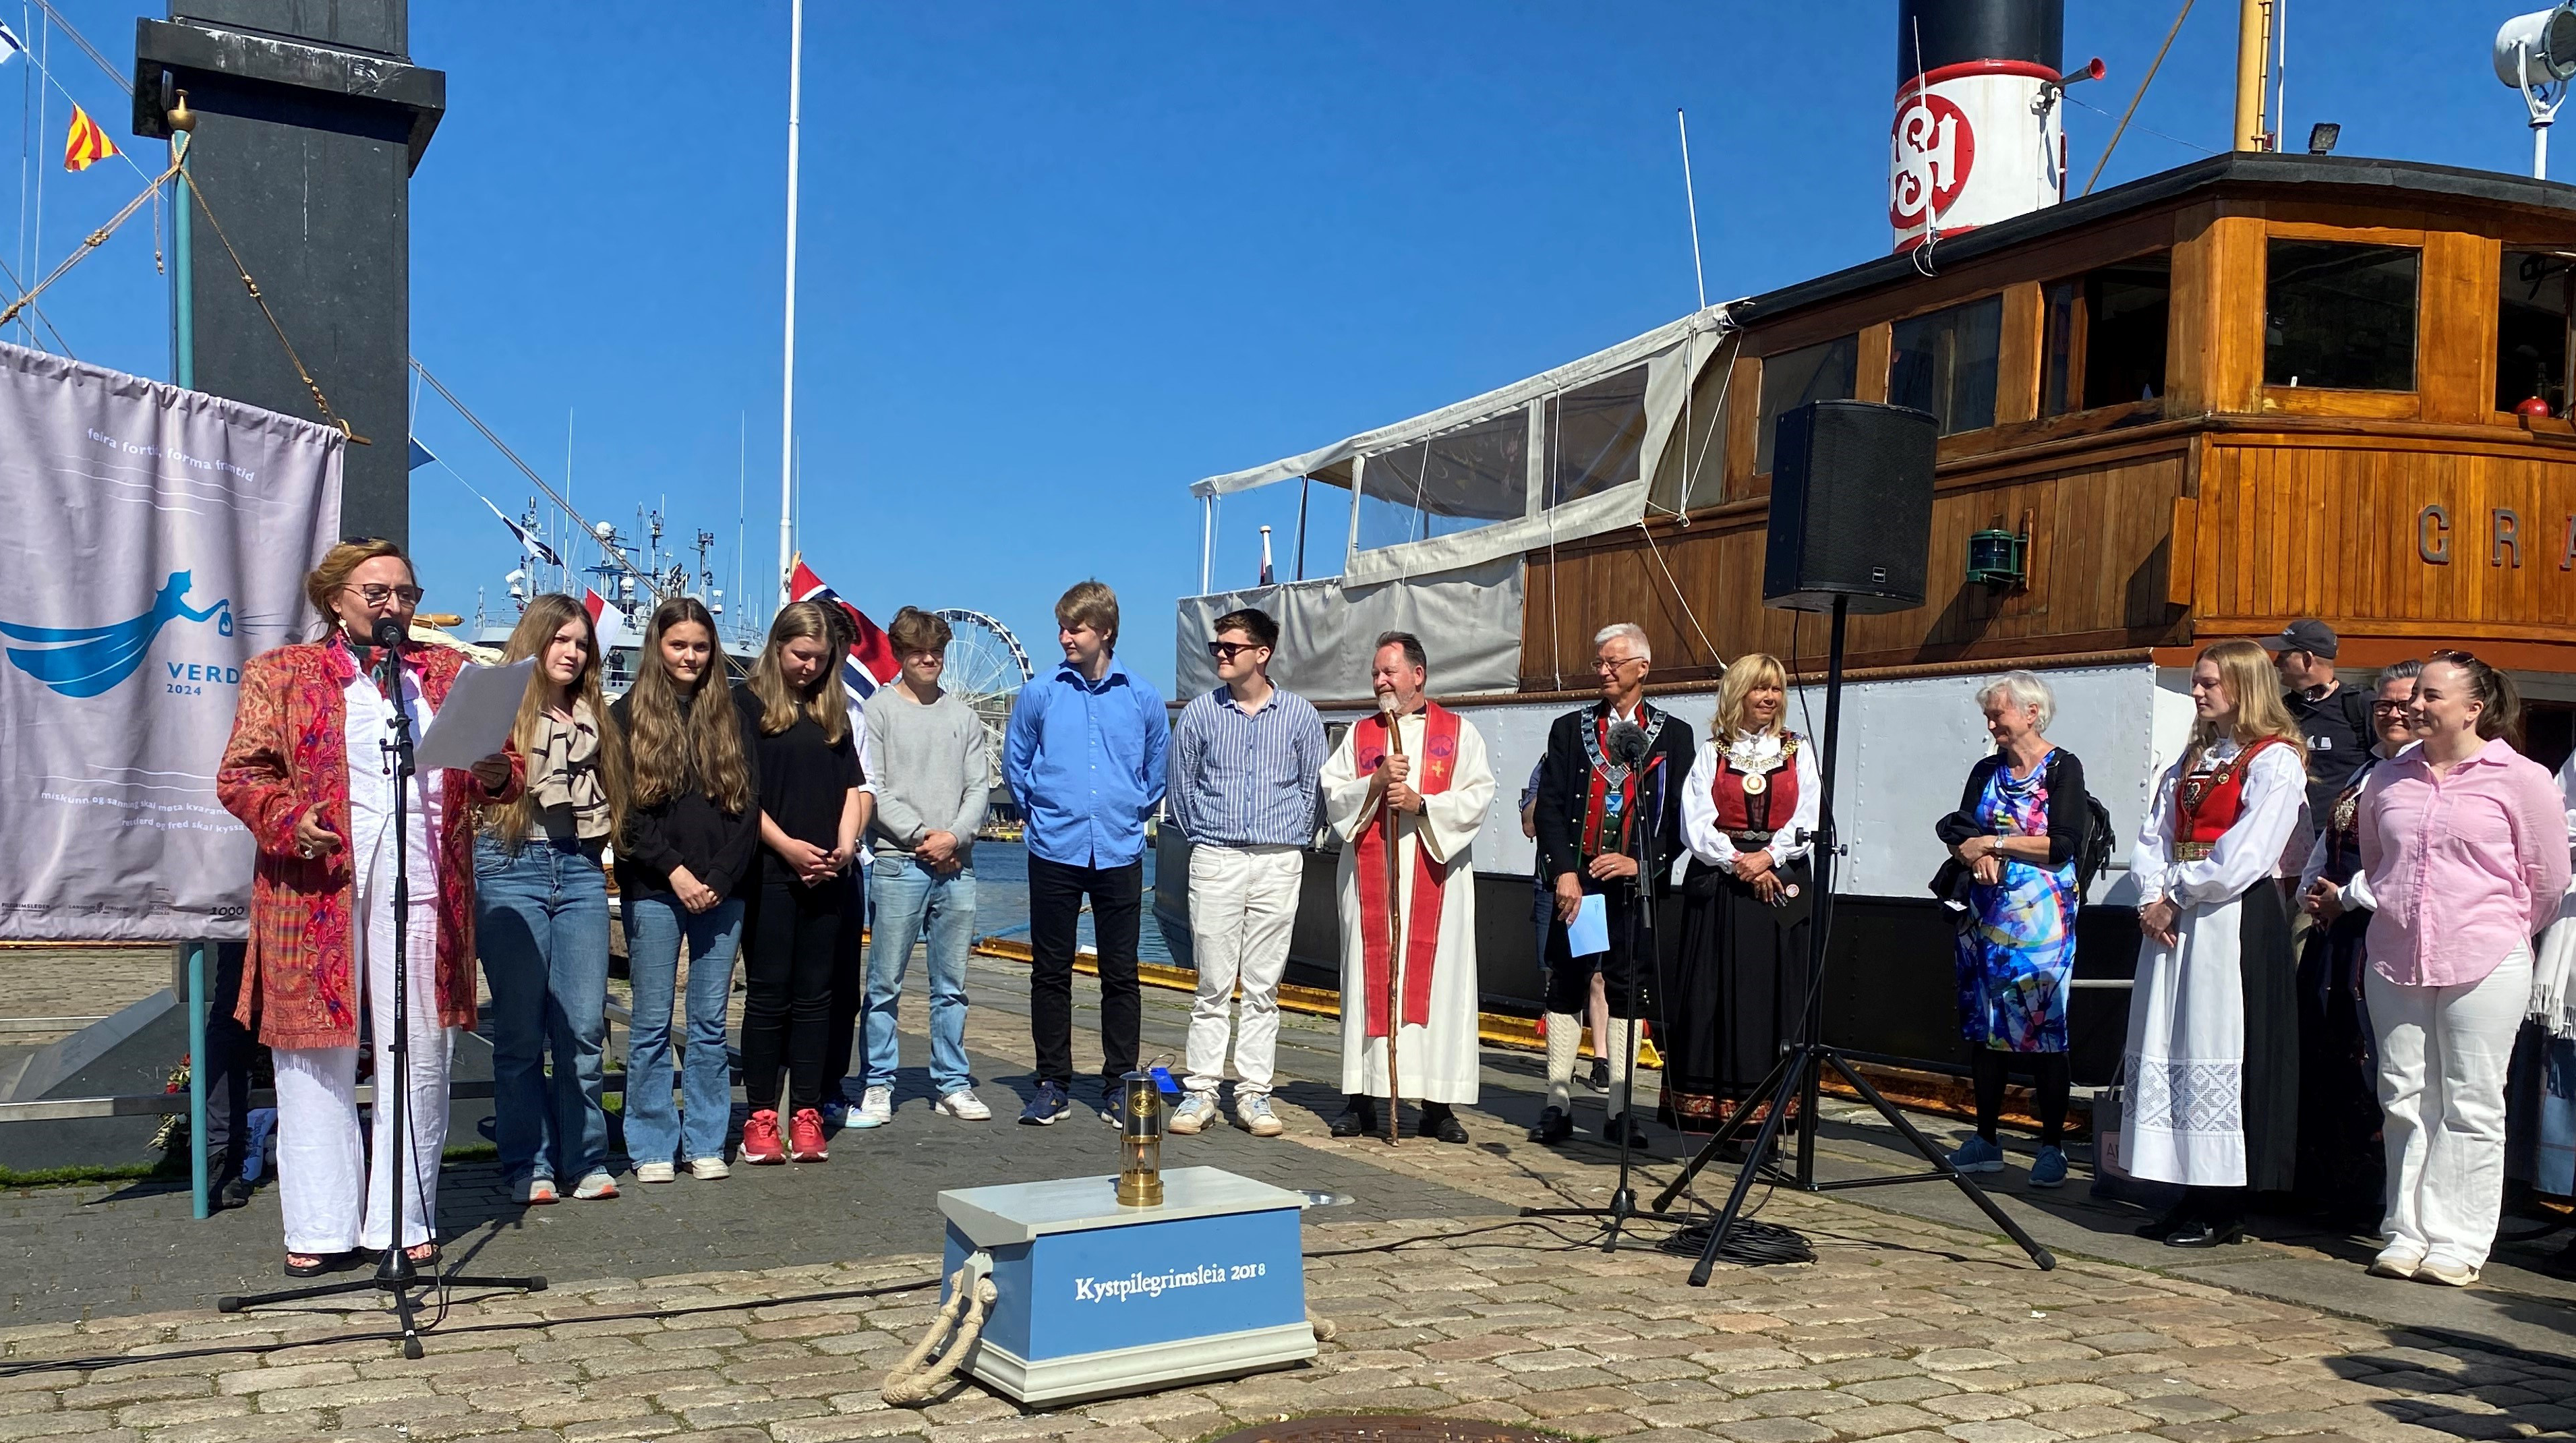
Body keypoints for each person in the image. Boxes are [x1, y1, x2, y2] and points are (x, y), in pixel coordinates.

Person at [216, 539, 520, 1276]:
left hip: (423, 878)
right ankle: (320, 1222)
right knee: (312, 1052)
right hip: (314, 884)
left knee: (418, 1048)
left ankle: (400, 1214)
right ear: (335, 599)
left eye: (406, 593)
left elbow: (504, 771)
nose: (394, 605)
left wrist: (491, 770)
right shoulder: (281, 673)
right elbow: (242, 776)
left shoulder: (446, 671)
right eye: (377, 592)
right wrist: (293, 820)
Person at [2355, 651, 2568, 1285]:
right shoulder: (2388, 778)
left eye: (2431, 695)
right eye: (2415, 693)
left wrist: (2498, 929)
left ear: (2474, 708)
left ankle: (2457, 1240)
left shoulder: (2521, 777)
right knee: (2403, 1096)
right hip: (2395, 953)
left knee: (2472, 1101)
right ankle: (2404, 1230)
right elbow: (2376, 859)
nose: (2414, 705)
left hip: (2485, 955)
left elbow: (2547, 880)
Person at [2123, 638, 2308, 1248]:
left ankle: (2223, 1200)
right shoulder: (2194, 758)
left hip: (2229, 915)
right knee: (2171, 1037)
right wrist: (2152, 895)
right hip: (2175, 910)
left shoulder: (2274, 759)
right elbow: (2154, 834)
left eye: (2209, 683)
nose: (2197, 692)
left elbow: (2249, 851)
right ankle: (2183, 1187)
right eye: (2198, 683)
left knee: (2217, 1039)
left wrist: (2180, 894)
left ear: (2245, 687)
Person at [474, 594, 628, 1205]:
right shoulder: (501, 704)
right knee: (519, 1028)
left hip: (582, 867)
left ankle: (585, 1158)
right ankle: (528, 1162)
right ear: (535, 640)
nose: (571, 652)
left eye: (581, 642)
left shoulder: (597, 713)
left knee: (583, 1027)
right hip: (511, 864)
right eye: (560, 639)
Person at [1319, 631, 1497, 1143]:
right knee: (1365, 980)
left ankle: (1437, 1104)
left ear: (1418, 674)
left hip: (1436, 880)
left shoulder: (1459, 735)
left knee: (1439, 986)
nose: (1379, 680)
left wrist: (1423, 805)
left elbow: (1479, 797)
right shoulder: (1359, 737)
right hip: (1371, 880)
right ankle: (1361, 1098)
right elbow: (1333, 795)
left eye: (1389, 671)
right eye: (1375, 671)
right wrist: (1373, 785)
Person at [1003, 581, 1169, 1126]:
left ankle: (1120, 1081)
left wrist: (1125, 812)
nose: (1064, 636)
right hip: (1054, 847)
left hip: (1119, 849)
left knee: (1121, 972)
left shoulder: (1142, 697)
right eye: (1062, 627)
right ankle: (1052, 1081)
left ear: (1106, 632)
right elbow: (1016, 764)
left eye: (1075, 628)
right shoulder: (1041, 693)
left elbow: (1154, 773)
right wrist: (1046, 811)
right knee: (1050, 971)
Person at [612, 597, 759, 1183]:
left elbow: (747, 810)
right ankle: (650, 1143)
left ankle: (703, 1140)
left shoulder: (733, 716)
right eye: (679, 645)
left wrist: (720, 879)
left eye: (700, 646)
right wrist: (674, 870)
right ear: (659, 647)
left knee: (708, 1023)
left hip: (723, 893)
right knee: (650, 1022)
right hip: (655, 887)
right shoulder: (626, 715)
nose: (690, 656)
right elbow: (625, 815)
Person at [1165, 607, 1327, 1140]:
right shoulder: (1199, 716)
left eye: (1230, 647)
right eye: (1217, 647)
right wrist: (1210, 837)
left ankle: (1254, 1092)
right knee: (1212, 980)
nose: (1220, 655)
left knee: (1263, 983)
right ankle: (1202, 1089)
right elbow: (1181, 788)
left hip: (1279, 859)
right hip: (1217, 855)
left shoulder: (1300, 716)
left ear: (1262, 654)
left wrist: (1289, 838)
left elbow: (1313, 790)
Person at [1530, 623, 1693, 1148]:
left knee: (1628, 990)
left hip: (1632, 890)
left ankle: (1621, 1109)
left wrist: (1643, 865)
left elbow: (1679, 821)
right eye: (1599, 662)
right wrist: (1565, 873)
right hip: (1582, 886)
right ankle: (1557, 1101)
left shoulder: (1673, 735)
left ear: (1642, 668)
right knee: (1569, 982)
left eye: (1613, 662)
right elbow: (1551, 808)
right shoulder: (1569, 729)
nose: (1602, 670)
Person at [1933, 672, 2090, 1189]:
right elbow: (1960, 828)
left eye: (1998, 713)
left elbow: (2062, 843)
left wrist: (1993, 845)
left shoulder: (2063, 768)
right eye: (1989, 714)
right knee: (1987, 1028)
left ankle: (2051, 1146)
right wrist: (1972, 851)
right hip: (1985, 916)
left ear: (2030, 713)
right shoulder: (1986, 769)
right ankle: (1985, 1139)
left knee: (2043, 1030)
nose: (1991, 723)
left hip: (2041, 920)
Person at [1662, 653, 1820, 1129]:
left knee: (1772, 993)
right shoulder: (1714, 750)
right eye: (1759, 689)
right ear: (1739, 693)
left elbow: (1808, 814)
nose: (1769, 698)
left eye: (1775, 690)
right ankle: (1713, 1112)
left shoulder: (1799, 749)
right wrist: (1739, 862)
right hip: (1725, 885)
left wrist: (1768, 857)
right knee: (1716, 993)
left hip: (1781, 879)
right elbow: (1695, 821)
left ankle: (1771, 1113)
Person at [736, 602, 869, 1163]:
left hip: (827, 874)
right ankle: (762, 1113)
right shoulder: (745, 705)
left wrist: (844, 846)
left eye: (820, 659)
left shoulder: (832, 709)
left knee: (819, 998)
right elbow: (740, 791)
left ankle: (808, 1109)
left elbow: (852, 787)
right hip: (769, 871)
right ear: (778, 648)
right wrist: (789, 848)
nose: (810, 668)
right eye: (800, 656)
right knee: (769, 996)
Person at [2291, 660, 2423, 1220]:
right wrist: (2309, 893)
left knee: (2373, 1058)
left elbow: (2408, 860)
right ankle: (2328, 1183)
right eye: (2382, 705)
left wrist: (2344, 898)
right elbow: (2329, 839)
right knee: (2328, 1048)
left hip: (2380, 930)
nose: (2390, 714)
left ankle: (2372, 1194)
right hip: (2337, 932)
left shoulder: (2419, 777)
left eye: (2402, 705)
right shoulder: (2365, 771)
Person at [852, 606, 993, 1127]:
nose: (929, 659)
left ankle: (952, 1082)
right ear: (900, 654)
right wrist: (922, 836)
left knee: (951, 984)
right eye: (918, 651)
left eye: (936, 651)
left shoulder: (963, 717)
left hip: (958, 866)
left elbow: (979, 787)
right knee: (884, 982)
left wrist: (955, 835)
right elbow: (876, 787)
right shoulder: (878, 712)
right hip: (897, 863)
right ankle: (878, 1082)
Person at [2263, 620, 2371, 854]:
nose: (2276, 662)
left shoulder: (2359, 706)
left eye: (2284, 654)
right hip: (2287, 842)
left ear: (2307, 660)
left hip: (2344, 844)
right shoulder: (2282, 711)